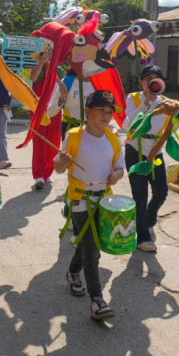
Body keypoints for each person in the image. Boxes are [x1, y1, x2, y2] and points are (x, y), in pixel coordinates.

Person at [54, 90, 125, 320]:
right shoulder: (74, 136)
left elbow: (120, 167)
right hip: (80, 200)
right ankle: (97, 300)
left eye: (109, 111)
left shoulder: (113, 139)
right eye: (100, 110)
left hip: (104, 200)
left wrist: (116, 175)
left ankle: (73, 272)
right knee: (92, 250)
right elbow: (58, 167)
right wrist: (63, 163)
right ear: (88, 112)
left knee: (89, 244)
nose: (106, 115)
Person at [124, 65, 171, 252]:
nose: (152, 81)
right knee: (140, 195)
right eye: (148, 78)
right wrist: (145, 104)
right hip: (135, 149)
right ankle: (143, 237)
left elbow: (170, 128)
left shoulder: (166, 102)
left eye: (156, 78)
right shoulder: (134, 98)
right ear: (141, 82)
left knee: (161, 191)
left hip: (155, 151)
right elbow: (128, 125)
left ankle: (148, 220)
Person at [30, 45, 67, 190]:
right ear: (41, 55)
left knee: (53, 140)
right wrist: (42, 63)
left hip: (54, 109)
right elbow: (32, 79)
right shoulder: (36, 69)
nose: (50, 55)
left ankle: (47, 171)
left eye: (52, 53)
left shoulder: (58, 70)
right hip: (38, 109)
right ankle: (38, 175)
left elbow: (62, 88)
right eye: (47, 53)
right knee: (39, 142)